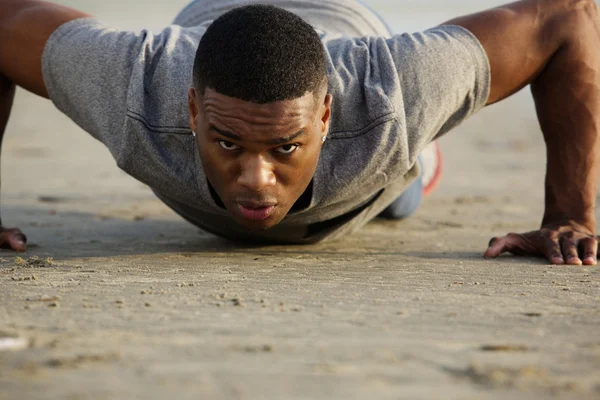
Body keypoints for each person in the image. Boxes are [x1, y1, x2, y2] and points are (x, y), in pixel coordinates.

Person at [0, 0, 598, 266]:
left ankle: (425, 161)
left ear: (326, 117)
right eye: (227, 143)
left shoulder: (393, 96)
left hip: (358, 61)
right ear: (190, 111)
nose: (255, 182)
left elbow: (566, 17)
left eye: (284, 147)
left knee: (402, 184)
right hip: (217, 19)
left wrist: (569, 213)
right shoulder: (132, 84)